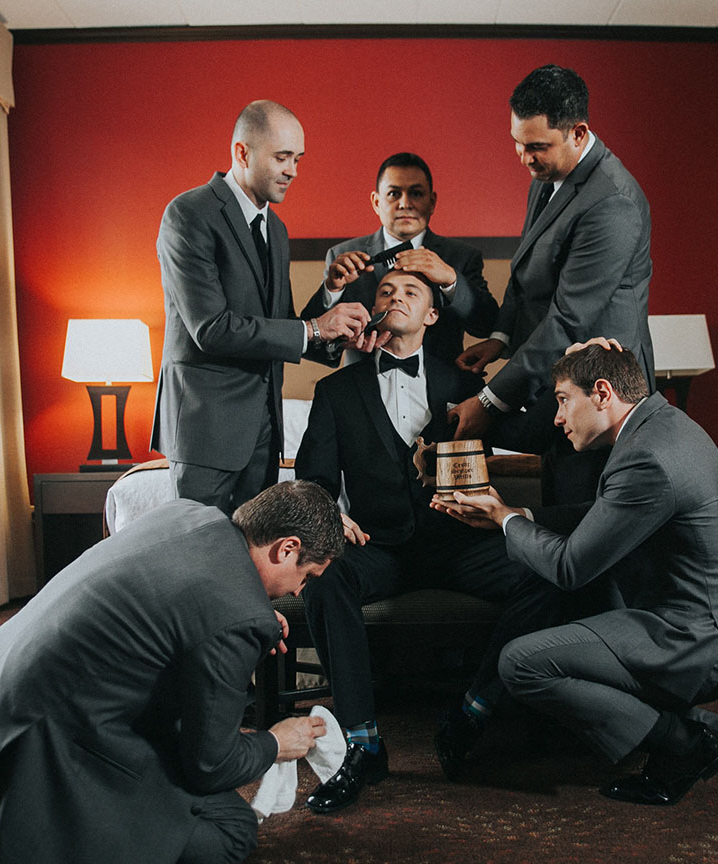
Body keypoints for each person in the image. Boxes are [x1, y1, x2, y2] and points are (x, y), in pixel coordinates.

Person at [0, 481, 345, 864]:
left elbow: (182, 603)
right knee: (232, 830)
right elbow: (211, 766)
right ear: (286, 549)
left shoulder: (190, 514)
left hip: (0, 678)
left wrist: (243, 616)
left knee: (213, 806)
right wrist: (276, 742)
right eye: (306, 576)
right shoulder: (236, 615)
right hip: (53, 733)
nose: (299, 591)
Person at [434, 341, 718, 806]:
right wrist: (518, 514)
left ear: (603, 393)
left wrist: (505, 519)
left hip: (692, 642)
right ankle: (706, 729)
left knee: (521, 662)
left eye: (563, 399)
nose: (556, 417)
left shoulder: (645, 457)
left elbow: (568, 567)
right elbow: (603, 514)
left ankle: (684, 743)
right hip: (709, 624)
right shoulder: (661, 427)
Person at [294, 269, 562, 814]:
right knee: (324, 579)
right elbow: (313, 478)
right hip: (378, 548)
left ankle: (474, 710)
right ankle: (362, 743)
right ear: (372, 309)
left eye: (410, 292)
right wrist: (329, 514)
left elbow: (523, 435)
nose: (395, 297)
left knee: (549, 570)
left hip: (458, 545)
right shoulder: (335, 390)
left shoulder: (466, 388)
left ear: (433, 315)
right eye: (385, 291)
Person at [151, 100, 375, 513]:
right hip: (206, 430)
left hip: (264, 431)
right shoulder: (188, 214)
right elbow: (211, 328)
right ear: (242, 153)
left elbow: (280, 327)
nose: (294, 171)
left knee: (256, 549)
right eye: (282, 157)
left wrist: (331, 299)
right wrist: (314, 328)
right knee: (201, 545)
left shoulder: (276, 228)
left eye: (298, 159)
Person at [447, 65, 656, 505]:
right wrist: (501, 338)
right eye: (517, 143)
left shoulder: (612, 203)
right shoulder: (547, 177)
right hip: (558, 378)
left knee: (582, 517)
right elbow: (526, 275)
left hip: (602, 398)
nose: (523, 157)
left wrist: (489, 401)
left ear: (578, 133)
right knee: (555, 507)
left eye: (536, 146)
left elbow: (568, 320)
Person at [300, 152, 499, 367]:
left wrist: (451, 280)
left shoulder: (462, 256)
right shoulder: (342, 254)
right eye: (394, 194)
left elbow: (486, 325)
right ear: (376, 202)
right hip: (361, 382)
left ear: (432, 202)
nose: (405, 203)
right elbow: (313, 346)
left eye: (416, 193)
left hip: (442, 384)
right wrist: (332, 290)